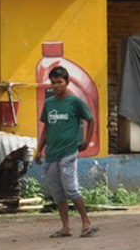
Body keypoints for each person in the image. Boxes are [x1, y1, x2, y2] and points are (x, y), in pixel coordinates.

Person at [34, 65, 97, 238]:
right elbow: (46, 128)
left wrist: (86, 141)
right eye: (53, 82)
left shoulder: (75, 101)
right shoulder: (49, 103)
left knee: (70, 188)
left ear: (67, 82)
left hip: (69, 151)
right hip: (51, 153)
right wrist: (39, 150)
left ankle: (86, 222)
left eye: (59, 82)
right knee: (57, 191)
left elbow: (91, 120)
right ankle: (65, 227)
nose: (56, 86)